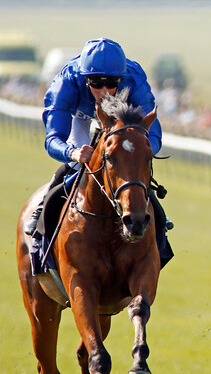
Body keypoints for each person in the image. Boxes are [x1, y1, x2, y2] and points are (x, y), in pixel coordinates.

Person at [24, 38, 169, 237]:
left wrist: (141, 151)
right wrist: (73, 152)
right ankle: (43, 208)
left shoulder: (133, 80)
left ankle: (158, 221)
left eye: (111, 83)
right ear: (84, 79)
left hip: (118, 121)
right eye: (95, 83)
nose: (103, 91)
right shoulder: (66, 83)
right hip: (80, 117)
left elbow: (153, 132)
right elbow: (53, 139)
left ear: (121, 78)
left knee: (131, 165)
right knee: (78, 164)